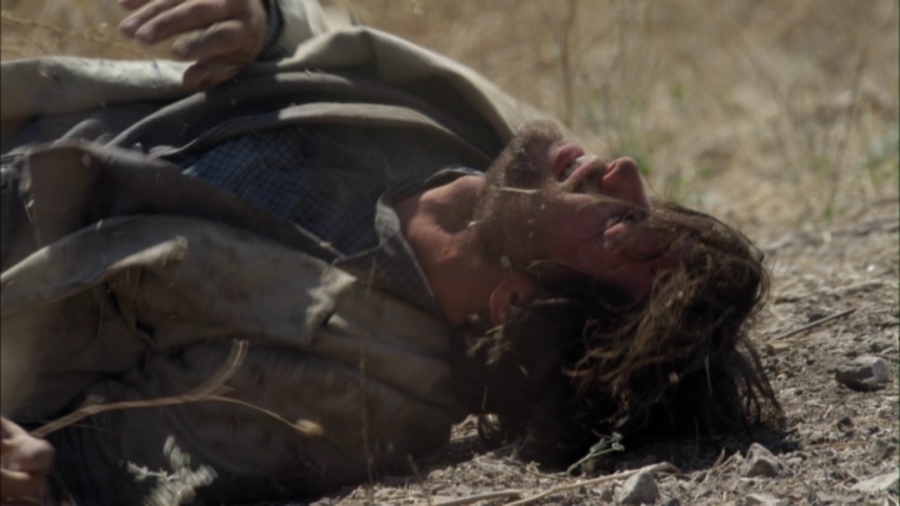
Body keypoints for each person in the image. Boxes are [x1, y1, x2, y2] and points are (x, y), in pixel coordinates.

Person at [0, 0, 780, 504]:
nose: (625, 171)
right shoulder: (495, 135)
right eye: (654, 206)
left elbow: (82, 467)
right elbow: (329, 37)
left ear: (519, 303)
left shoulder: (353, 396)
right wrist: (262, 22)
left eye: (625, 229)